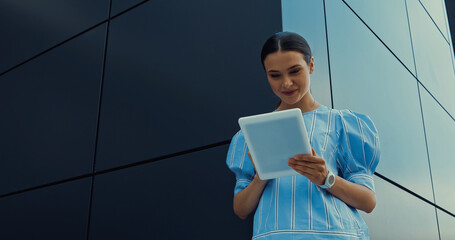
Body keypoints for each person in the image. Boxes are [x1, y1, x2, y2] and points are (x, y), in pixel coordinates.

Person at [226, 31, 381, 240]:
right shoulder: (249, 135)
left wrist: (326, 178)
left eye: (294, 71)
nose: (286, 83)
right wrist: (260, 176)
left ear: (311, 65)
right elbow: (241, 209)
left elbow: (368, 201)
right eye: (275, 75)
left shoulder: (342, 123)